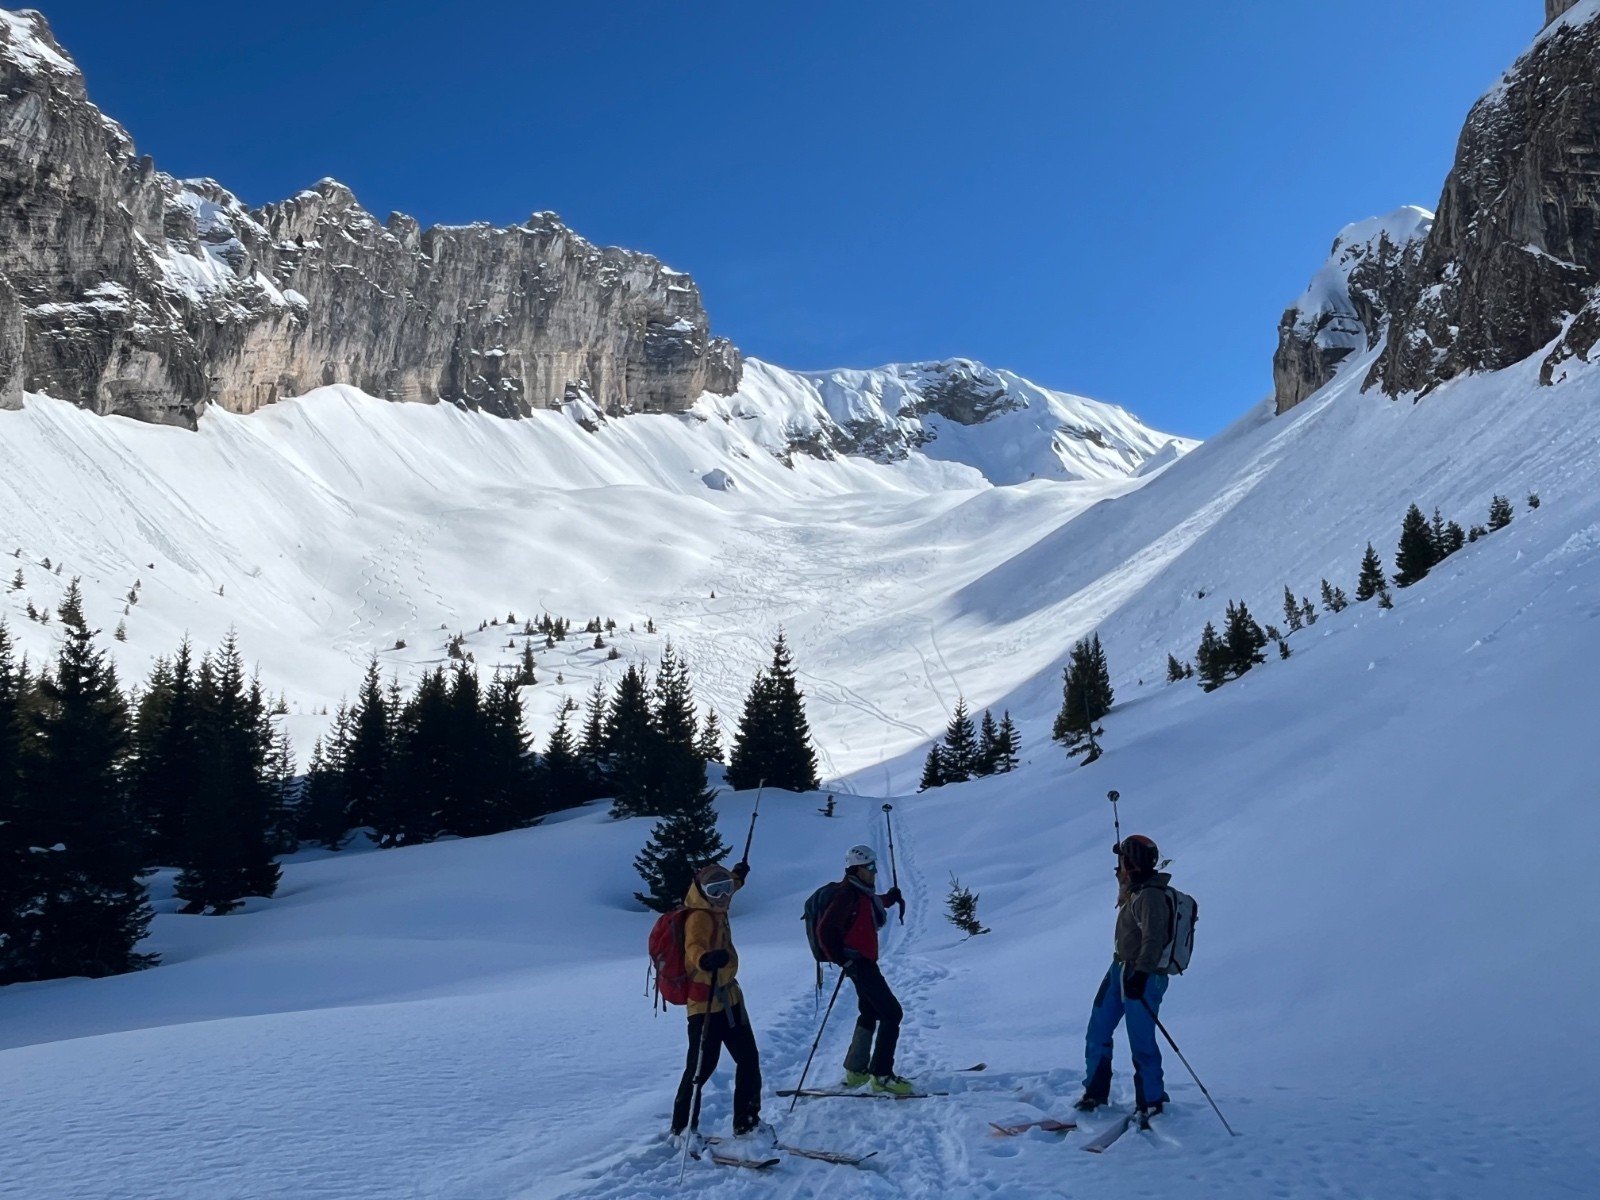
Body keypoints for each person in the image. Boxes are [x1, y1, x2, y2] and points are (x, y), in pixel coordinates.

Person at [1075, 834, 1174, 1117]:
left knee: (1141, 1039)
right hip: (1118, 969)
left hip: (1144, 974)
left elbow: (1154, 940)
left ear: (1133, 862)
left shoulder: (1152, 896)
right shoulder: (1135, 891)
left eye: (1122, 862)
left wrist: (1141, 975)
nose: (1118, 869)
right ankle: (1094, 1093)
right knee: (1098, 1030)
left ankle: (1151, 1101)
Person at [670, 861, 765, 1147]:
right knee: (700, 1068)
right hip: (705, 1004)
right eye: (716, 891)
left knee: (748, 1060)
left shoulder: (717, 903)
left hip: (730, 1000)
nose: (724, 896)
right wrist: (705, 960)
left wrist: (738, 877)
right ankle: (682, 1129)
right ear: (703, 891)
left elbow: (730, 886)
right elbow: (693, 948)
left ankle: (747, 1124)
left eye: (725, 890)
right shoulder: (699, 916)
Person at [817, 844, 910, 1095]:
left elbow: (873, 903)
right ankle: (881, 1075)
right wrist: (842, 961)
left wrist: (890, 898)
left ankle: (856, 1070)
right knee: (892, 1013)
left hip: (863, 962)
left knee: (869, 1011)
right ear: (855, 869)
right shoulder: (846, 895)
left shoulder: (861, 892)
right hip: (858, 963)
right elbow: (824, 931)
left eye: (874, 865)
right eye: (869, 866)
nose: (874, 870)